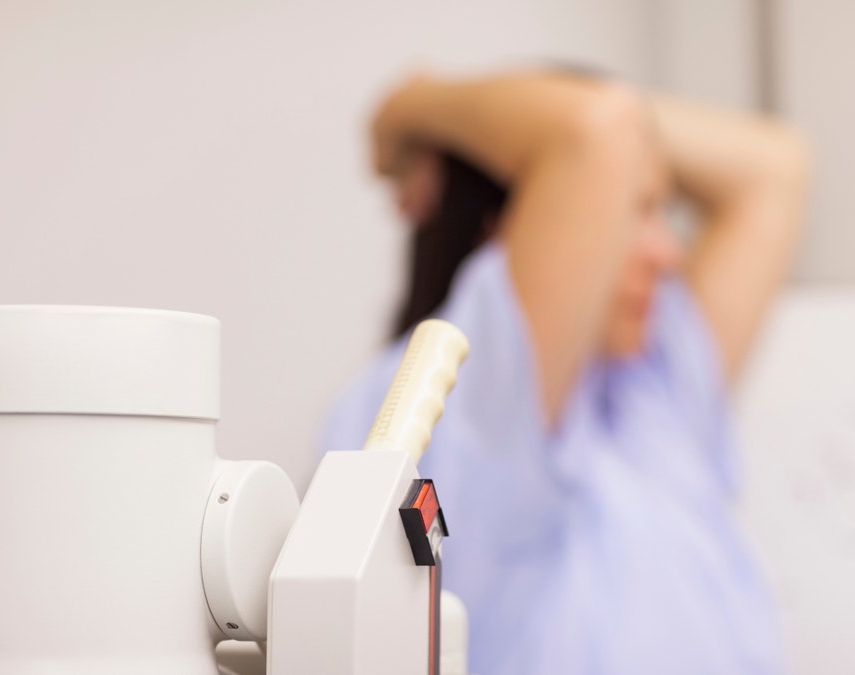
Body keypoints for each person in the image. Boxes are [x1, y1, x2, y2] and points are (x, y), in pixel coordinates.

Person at [322, 69, 808, 674]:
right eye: (638, 211)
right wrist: (407, 108)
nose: (667, 253)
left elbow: (773, 166)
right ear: (508, 228)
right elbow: (596, 131)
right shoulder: (459, 400)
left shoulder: (650, 390)